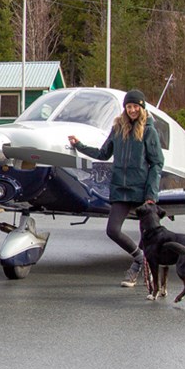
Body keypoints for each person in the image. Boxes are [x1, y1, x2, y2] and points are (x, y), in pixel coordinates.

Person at [68, 88, 164, 287]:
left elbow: (157, 163)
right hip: (120, 188)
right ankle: (139, 258)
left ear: (142, 107)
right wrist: (79, 145)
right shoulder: (118, 128)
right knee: (112, 230)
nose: (132, 110)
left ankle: (137, 271)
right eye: (129, 106)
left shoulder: (149, 130)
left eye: (135, 106)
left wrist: (151, 195)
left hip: (142, 191)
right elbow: (103, 154)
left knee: (147, 234)